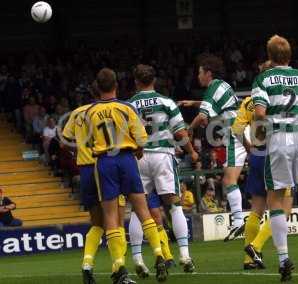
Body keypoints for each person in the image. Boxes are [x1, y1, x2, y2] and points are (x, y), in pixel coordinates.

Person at [251, 35, 298, 281]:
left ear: (270, 56)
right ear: (290, 55)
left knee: (275, 197)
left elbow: (260, 113)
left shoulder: (264, 79)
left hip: (279, 139)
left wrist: (258, 137)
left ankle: (284, 259)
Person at [85, 68, 167, 284]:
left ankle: (120, 266)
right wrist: (137, 150)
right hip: (126, 159)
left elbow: (88, 141)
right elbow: (141, 137)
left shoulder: (90, 112)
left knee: (111, 217)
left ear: (97, 87)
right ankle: (159, 254)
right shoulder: (126, 107)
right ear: (116, 85)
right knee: (142, 210)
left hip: (105, 161)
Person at [129, 64, 197, 273]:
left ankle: (138, 260)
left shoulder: (129, 105)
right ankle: (185, 255)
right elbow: (179, 132)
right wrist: (191, 151)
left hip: (138, 157)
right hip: (163, 156)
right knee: (174, 205)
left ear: (136, 82)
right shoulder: (166, 102)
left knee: (137, 208)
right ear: (154, 81)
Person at [231, 61, 294, 270]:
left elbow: (237, 129)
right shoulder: (278, 98)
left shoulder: (249, 101)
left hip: (257, 155)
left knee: (256, 208)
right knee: (284, 207)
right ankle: (255, 247)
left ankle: (249, 261)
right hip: (275, 153)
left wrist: (249, 147)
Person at [62, 81, 127, 284]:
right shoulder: (105, 110)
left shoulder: (77, 113)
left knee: (97, 223)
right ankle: (119, 269)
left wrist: (78, 151)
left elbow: (64, 141)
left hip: (86, 169)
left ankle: (87, 265)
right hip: (105, 166)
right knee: (116, 221)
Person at [179, 54, 247, 241]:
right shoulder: (223, 86)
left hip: (235, 134)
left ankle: (239, 222)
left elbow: (202, 117)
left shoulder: (212, 88)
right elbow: (214, 106)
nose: (198, 76)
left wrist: (189, 130)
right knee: (229, 177)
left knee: (229, 179)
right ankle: (240, 221)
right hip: (241, 132)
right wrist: (193, 103)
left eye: (200, 72)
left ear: (208, 73)